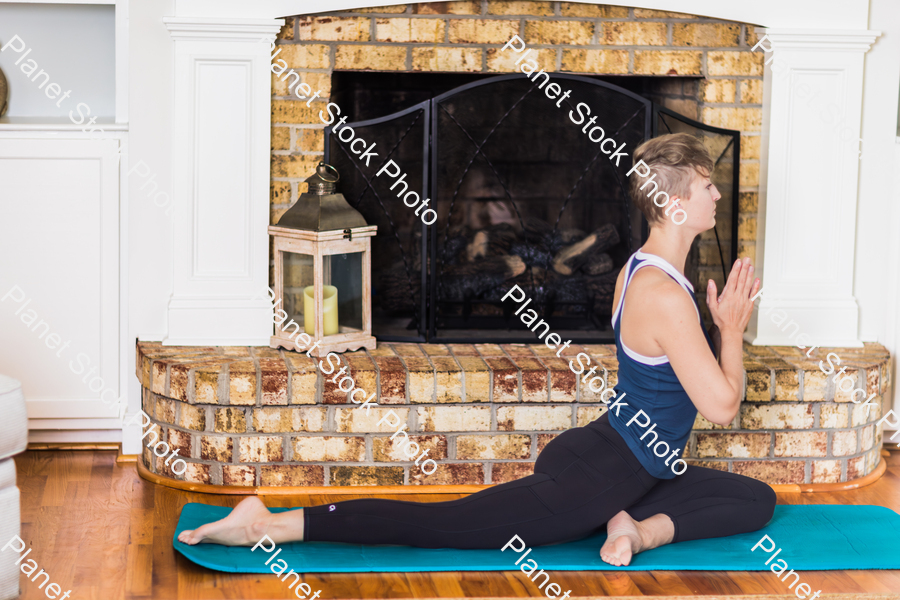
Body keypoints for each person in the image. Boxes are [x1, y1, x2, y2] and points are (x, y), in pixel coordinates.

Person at [178, 133, 775, 567]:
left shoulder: (640, 269)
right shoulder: (664, 295)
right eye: (705, 185)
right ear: (673, 204)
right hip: (600, 473)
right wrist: (729, 330)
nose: (717, 193)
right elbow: (722, 408)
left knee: (755, 499)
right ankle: (273, 523)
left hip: (605, 451)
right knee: (447, 524)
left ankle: (634, 528)